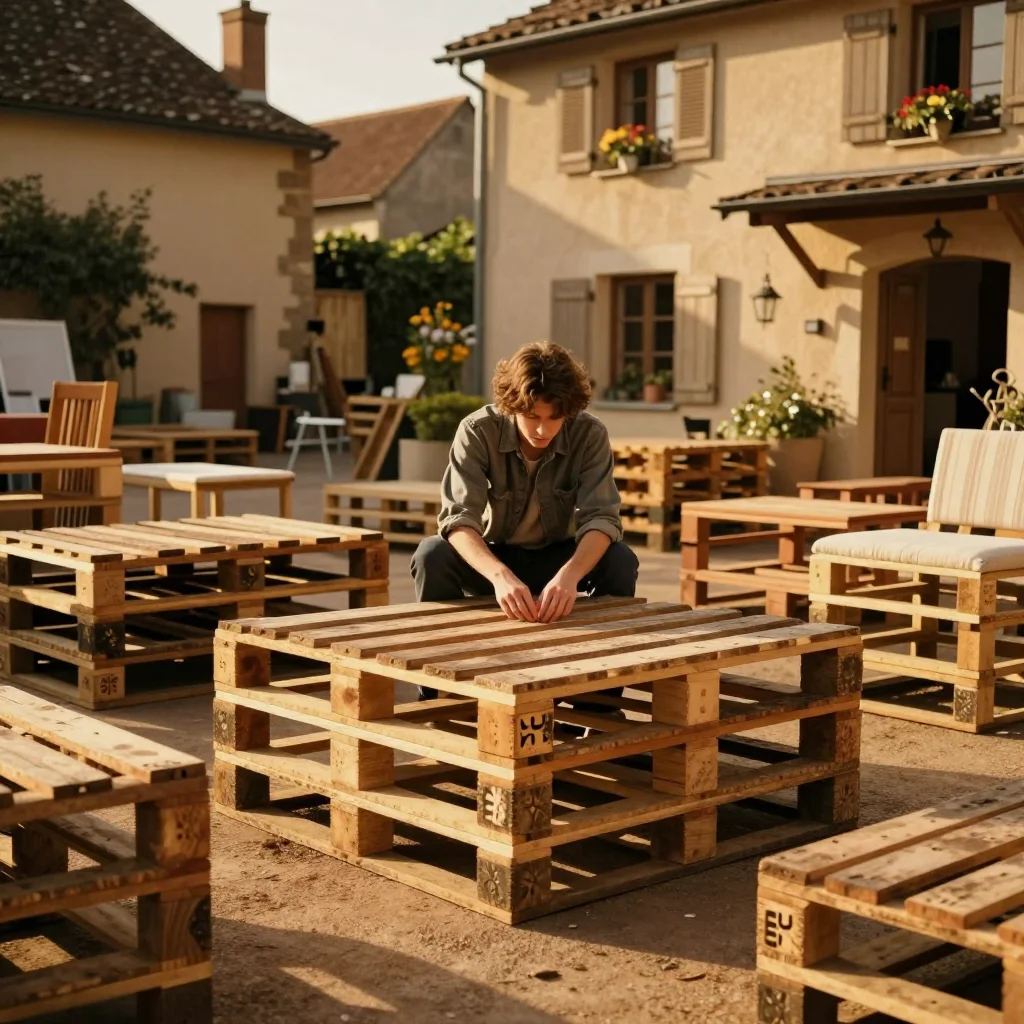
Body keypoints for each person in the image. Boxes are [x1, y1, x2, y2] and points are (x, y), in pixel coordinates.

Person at [410, 341, 639, 705]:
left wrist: (570, 576)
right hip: (495, 556)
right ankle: (439, 693)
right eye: (532, 416)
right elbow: (458, 519)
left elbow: (602, 518)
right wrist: (499, 576)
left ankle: (599, 703)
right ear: (511, 405)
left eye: (554, 418)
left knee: (621, 559)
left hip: (558, 558)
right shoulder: (477, 430)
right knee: (431, 555)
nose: (542, 429)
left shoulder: (590, 434)